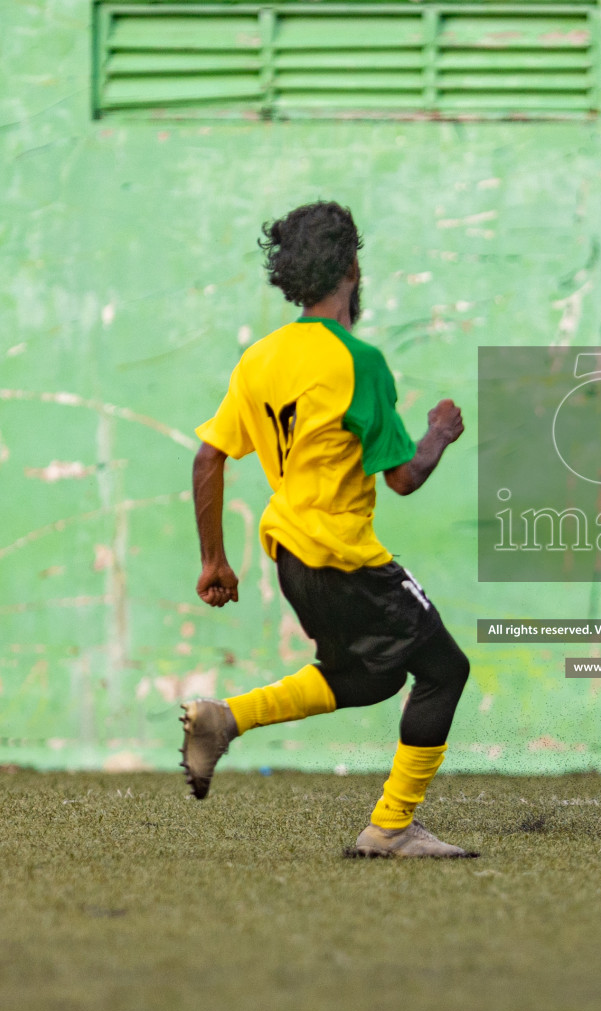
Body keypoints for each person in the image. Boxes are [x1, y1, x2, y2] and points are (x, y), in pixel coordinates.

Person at [180, 200, 474, 858]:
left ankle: (224, 719)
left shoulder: (260, 359)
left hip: (290, 558)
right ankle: (392, 826)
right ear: (351, 267)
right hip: (345, 557)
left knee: (369, 677)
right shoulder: (358, 361)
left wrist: (213, 561)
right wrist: (439, 433)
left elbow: (209, 456)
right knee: (444, 670)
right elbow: (403, 477)